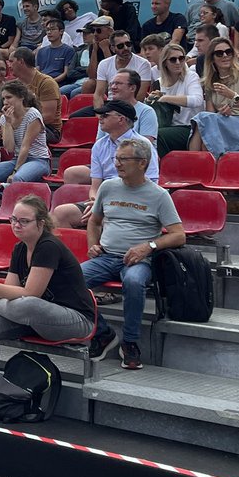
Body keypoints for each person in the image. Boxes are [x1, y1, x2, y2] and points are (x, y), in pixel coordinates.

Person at [0, 195, 96, 419]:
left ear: (41, 223)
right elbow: (9, 294)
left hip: (75, 320)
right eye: (13, 219)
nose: (17, 225)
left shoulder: (48, 246)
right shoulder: (20, 248)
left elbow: (30, 294)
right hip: (35, 316)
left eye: (24, 221)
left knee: (28, 304)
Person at [82, 137, 185, 371]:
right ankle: (103, 333)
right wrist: (93, 244)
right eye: (116, 158)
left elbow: (179, 235)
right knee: (67, 279)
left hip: (139, 260)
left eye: (123, 159)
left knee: (134, 281)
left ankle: (130, 342)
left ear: (142, 163)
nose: (117, 164)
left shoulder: (159, 195)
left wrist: (148, 247)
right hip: (106, 256)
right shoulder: (108, 187)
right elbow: (94, 221)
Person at [54, 99, 160, 228]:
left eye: (105, 116)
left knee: (106, 219)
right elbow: (95, 186)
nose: (100, 118)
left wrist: (107, 204)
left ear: (121, 120)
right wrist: (96, 203)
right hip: (104, 200)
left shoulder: (143, 145)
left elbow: (152, 183)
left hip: (133, 201)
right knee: (61, 213)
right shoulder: (99, 145)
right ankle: (79, 247)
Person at [188, 37, 239, 155]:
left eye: (228, 52)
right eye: (219, 53)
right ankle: (199, 161)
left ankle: (197, 162)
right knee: (203, 123)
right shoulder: (210, 82)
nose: (225, 56)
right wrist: (223, 114)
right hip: (224, 124)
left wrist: (233, 96)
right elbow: (211, 115)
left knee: (202, 120)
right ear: (212, 59)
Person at [0, 80, 50, 183]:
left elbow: (25, 146)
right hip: (16, 160)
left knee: (17, 178)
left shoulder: (33, 115)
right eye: (3, 98)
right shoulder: (4, 118)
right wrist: (8, 123)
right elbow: (9, 148)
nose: (5, 102)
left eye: (9, 97)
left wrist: (15, 171)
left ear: (21, 97)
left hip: (38, 160)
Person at [149, 43, 204, 157]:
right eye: (173, 59)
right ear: (165, 63)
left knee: (158, 136)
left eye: (181, 58)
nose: (178, 62)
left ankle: (161, 171)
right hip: (168, 125)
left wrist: (166, 98)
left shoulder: (191, 76)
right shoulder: (158, 83)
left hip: (191, 128)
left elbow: (197, 100)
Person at [9, 46, 63, 145]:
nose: (9, 66)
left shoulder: (46, 83)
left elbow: (48, 117)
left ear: (21, 62)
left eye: (11, 61)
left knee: (18, 134)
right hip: (20, 123)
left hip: (48, 128)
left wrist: (17, 124)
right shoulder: (14, 85)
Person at [36, 17, 77, 92]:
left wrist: (50, 82)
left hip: (59, 83)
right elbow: (37, 71)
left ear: (61, 31)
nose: (49, 32)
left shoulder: (69, 50)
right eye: (47, 30)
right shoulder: (41, 51)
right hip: (42, 83)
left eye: (52, 29)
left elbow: (65, 73)